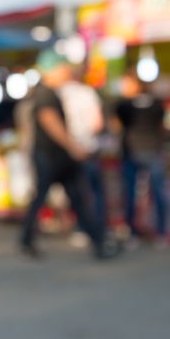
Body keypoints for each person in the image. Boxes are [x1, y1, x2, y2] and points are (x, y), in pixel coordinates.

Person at [19, 51, 116, 260]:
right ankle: (27, 239)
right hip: (49, 157)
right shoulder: (45, 93)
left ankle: (97, 241)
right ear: (52, 70)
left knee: (77, 199)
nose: (67, 72)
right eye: (63, 68)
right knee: (44, 199)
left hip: (59, 157)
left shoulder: (53, 92)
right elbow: (50, 121)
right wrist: (72, 146)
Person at [114, 71, 169, 248]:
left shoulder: (124, 105)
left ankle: (134, 232)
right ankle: (160, 232)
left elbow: (117, 125)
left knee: (132, 193)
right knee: (156, 193)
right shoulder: (157, 104)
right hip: (151, 151)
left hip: (134, 152)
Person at [59, 74, 107, 241]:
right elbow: (97, 124)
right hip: (88, 147)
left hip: (69, 148)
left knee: (76, 192)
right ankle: (98, 228)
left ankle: (81, 227)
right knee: (94, 191)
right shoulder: (88, 93)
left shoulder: (60, 94)